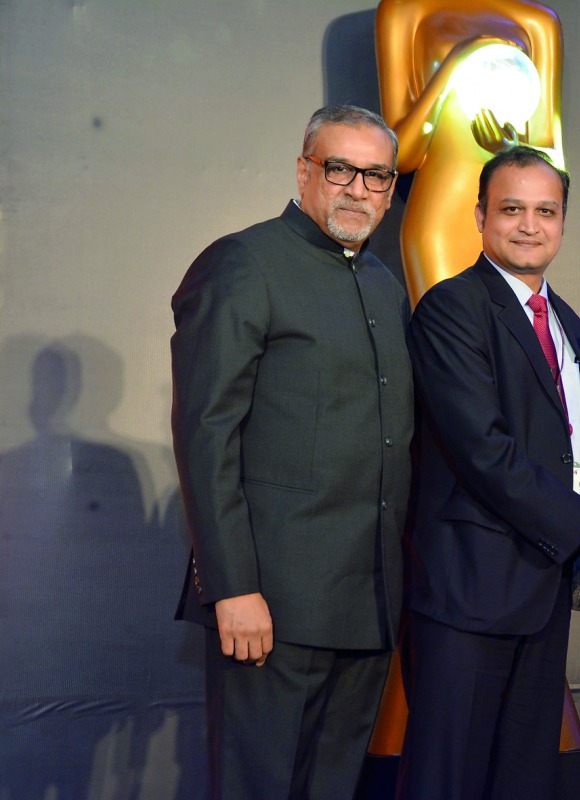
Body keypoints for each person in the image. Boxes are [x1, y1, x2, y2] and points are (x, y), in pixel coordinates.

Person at [398, 145, 580, 800]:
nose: (530, 226)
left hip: (540, 589)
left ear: (563, 221)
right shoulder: (451, 309)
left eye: (545, 211)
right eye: (512, 210)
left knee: (522, 779)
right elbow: (484, 452)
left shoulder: (566, 321)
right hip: (467, 594)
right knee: (448, 780)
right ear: (479, 216)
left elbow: (565, 450)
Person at [170, 105, 413, 799]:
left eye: (376, 176)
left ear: (391, 190)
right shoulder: (245, 263)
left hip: (367, 603)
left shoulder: (383, 284)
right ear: (305, 170)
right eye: (340, 169)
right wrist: (232, 586)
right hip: (269, 607)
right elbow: (206, 434)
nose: (357, 190)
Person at [376, 0, 565, 302]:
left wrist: (511, 153)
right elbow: (399, 155)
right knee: (445, 334)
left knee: (509, 336)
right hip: (441, 214)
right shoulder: (405, 9)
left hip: (512, 218)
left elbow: (555, 163)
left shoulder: (538, 21)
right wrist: (456, 62)